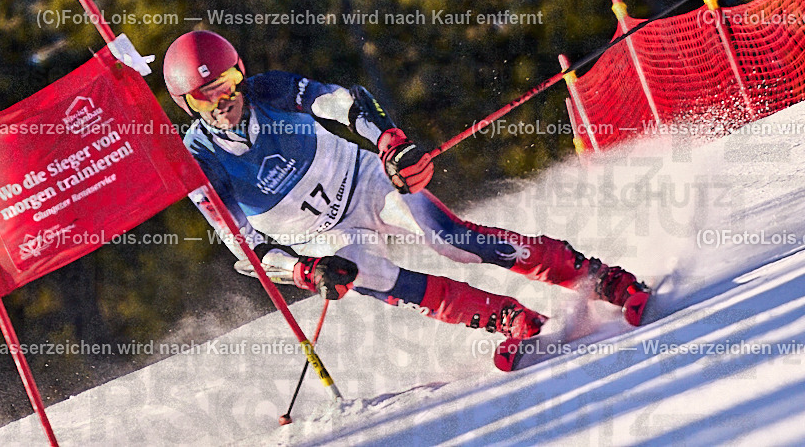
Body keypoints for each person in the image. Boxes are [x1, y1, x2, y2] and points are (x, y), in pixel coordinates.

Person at [164, 30, 649, 357]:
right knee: (374, 276)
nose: (221, 101)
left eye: (226, 84)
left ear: (240, 73)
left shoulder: (271, 90)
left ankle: (600, 277)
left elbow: (342, 101)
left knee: (449, 239)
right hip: (323, 239)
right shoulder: (198, 162)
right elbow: (243, 246)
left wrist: (388, 141)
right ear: (184, 104)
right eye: (203, 96)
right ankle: (507, 318)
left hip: (364, 181)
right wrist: (302, 271)